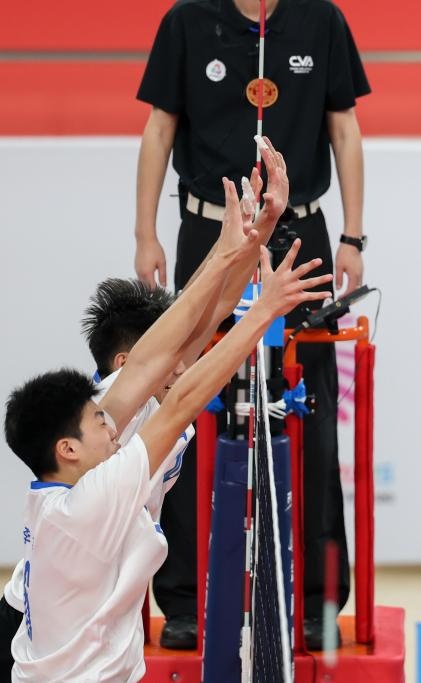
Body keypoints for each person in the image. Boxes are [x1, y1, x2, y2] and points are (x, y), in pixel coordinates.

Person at [4, 179, 331, 682]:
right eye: (170, 351)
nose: (184, 357)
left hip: (63, 616)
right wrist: (261, 307)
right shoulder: (103, 443)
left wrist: (256, 234)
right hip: (50, 629)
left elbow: (209, 312)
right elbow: (182, 398)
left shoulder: (112, 414)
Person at [133, 0, 369, 647]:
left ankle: (317, 600)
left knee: (309, 410)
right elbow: (158, 128)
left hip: (298, 229)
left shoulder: (321, 20)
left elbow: (344, 128)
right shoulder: (187, 21)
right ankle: (185, 598)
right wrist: (145, 232)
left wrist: (352, 235)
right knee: (186, 403)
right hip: (211, 232)